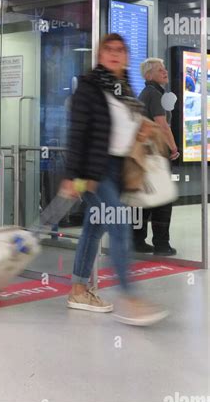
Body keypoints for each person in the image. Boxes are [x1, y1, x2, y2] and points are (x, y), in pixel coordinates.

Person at [60, 33, 168, 326]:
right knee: (119, 226)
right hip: (94, 172)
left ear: (127, 56)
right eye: (108, 49)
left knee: (94, 228)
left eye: (120, 50)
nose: (114, 54)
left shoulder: (125, 89)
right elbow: (77, 132)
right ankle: (130, 298)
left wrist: (144, 129)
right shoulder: (89, 86)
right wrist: (71, 176)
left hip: (118, 170)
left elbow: (127, 128)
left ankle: (79, 290)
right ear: (99, 54)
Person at [134, 58, 178, 256]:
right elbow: (162, 124)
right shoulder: (154, 93)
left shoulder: (146, 93)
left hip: (144, 155)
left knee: (145, 200)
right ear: (148, 75)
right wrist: (173, 147)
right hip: (156, 155)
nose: (165, 72)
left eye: (165, 68)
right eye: (160, 70)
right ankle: (162, 244)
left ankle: (137, 241)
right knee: (163, 201)